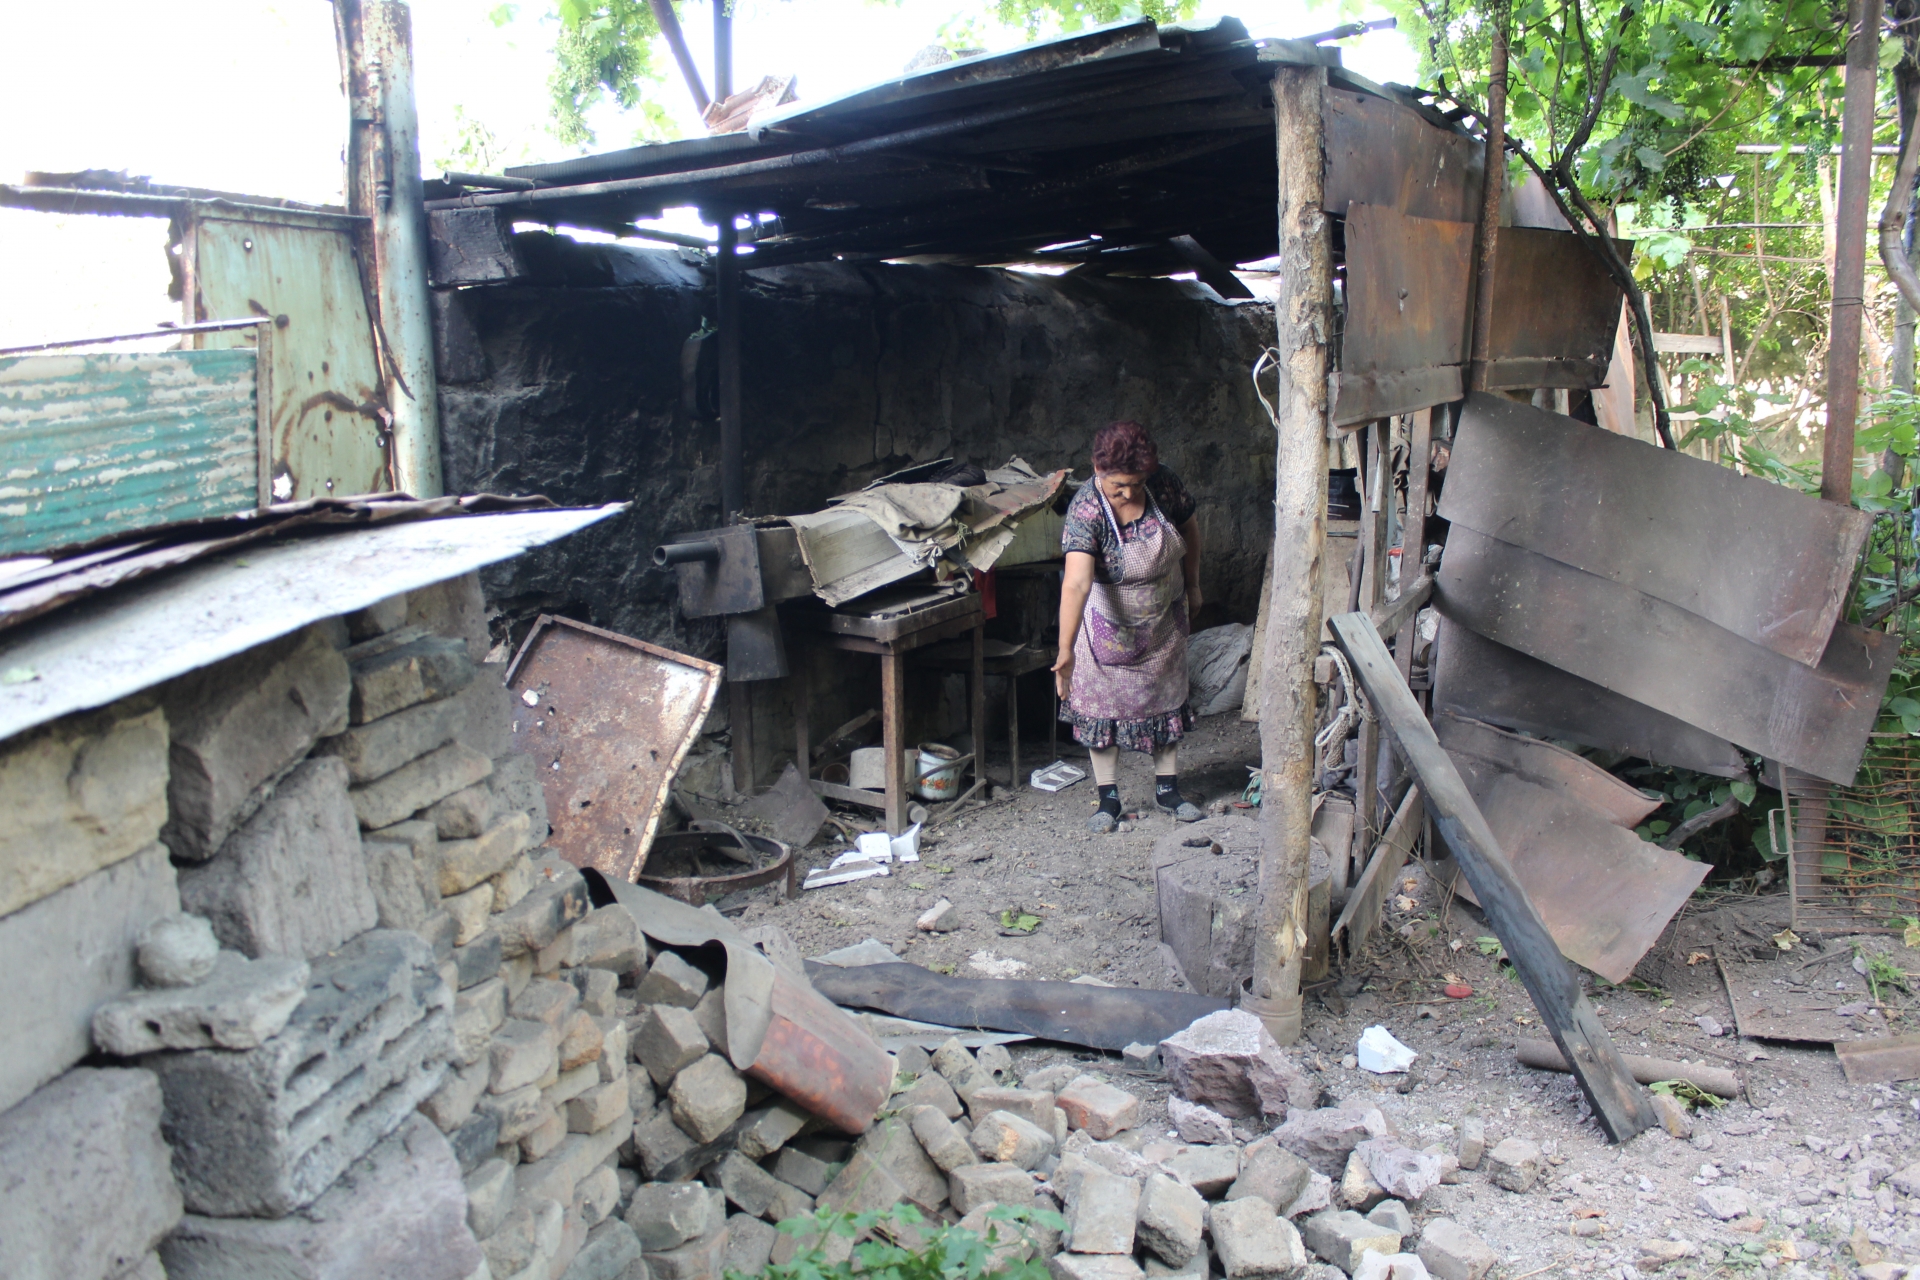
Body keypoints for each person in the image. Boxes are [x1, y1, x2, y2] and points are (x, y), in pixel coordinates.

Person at [1052, 420, 1204, 832]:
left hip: (1163, 620)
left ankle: (1168, 791)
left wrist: (1193, 584)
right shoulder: (1086, 509)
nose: (1128, 493)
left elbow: (1189, 527)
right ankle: (1109, 798)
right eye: (1118, 485)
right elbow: (1076, 583)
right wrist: (1065, 649)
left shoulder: (1164, 484)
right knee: (1101, 710)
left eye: (1136, 484)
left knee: (1165, 699)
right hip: (1108, 628)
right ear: (1097, 469)